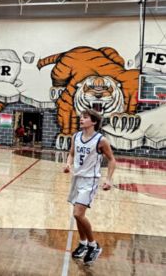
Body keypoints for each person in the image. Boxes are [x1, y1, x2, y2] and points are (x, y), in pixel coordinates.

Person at [63, 109, 116, 266]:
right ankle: (83, 243)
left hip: (90, 180)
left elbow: (112, 160)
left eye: (85, 117)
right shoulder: (76, 136)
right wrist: (68, 164)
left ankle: (94, 246)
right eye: (81, 117)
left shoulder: (101, 140)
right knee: (76, 215)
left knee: (78, 214)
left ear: (94, 122)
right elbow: (71, 153)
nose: (81, 119)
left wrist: (109, 179)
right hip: (77, 178)